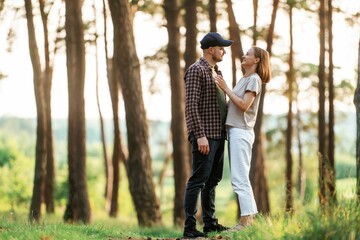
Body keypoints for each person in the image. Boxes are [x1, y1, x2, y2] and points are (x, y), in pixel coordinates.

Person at [215, 46, 271, 230]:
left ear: (256, 60)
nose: (243, 55)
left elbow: (245, 105)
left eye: (248, 54)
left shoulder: (254, 80)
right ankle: (249, 220)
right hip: (235, 131)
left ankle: (246, 222)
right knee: (239, 178)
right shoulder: (245, 79)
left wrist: (226, 89)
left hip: (241, 131)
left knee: (240, 179)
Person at [183, 32, 233, 238]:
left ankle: (210, 223)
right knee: (198, 180)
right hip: (205, 136)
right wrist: (200, 135)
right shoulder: (196, 70)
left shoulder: (216, 71)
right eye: (221, 48)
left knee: (213, 180)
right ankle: (189, 228)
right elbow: (191, 106)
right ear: (210, 49)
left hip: (219, 135)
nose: (224, 51)